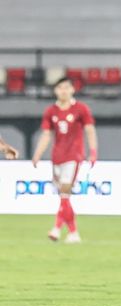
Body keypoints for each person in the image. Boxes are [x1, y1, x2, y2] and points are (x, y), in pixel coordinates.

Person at [32, 77, 98, 243]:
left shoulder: (81, 109)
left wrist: (93, 152)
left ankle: (56, 228)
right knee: (64, 196)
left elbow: (90, 130)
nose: (63, 91)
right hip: (57, 158)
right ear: (56, 91)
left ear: (72, 90)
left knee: (65, 194)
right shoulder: (50, 112)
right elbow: (46, 134)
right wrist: (38, 153)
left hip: (73, 157)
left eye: (66, 87)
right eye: (60, 88)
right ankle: (73, 233)